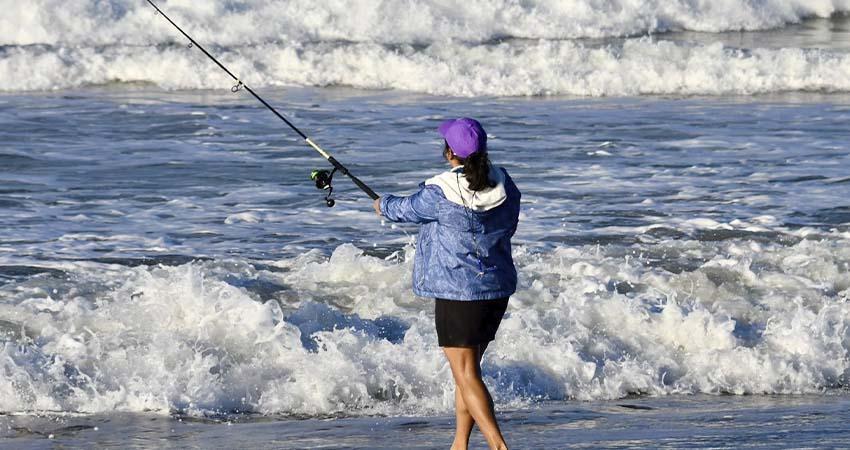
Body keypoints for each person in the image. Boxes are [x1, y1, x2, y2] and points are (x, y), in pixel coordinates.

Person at [373, 118, 520, 450]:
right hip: (496, 290)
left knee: (466, 373)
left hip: (459, 294)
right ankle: (459, 444)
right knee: (467, 372)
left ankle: (498, 446)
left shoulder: (440, 191)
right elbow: (509, 222)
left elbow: (404, 209)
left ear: (450, 152)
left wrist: (382, 204)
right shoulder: (505, 182)